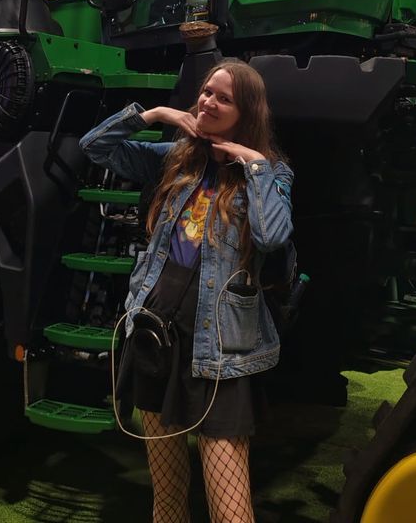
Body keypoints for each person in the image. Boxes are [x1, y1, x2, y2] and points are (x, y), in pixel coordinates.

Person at [79, 60, 293, 523]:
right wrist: (155, 114)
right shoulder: (176, 158)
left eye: (223, 98)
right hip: (156, 328)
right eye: (206, 92)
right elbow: (93, 148)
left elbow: (273, 237)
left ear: (247, 112)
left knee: (231, 504)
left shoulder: (270, 173)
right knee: (167, 491)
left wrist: (253, 164)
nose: (207, 102)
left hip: (219, 345)